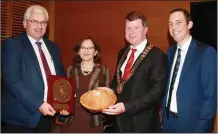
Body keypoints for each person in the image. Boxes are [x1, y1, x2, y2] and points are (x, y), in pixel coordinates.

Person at [99, 11, 168, 132]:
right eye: (128, 28)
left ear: (145, 30)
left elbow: (157, 92)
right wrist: (111, 90)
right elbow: (119, 82)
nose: (131, 32)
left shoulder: (157, 55)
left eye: (136, 27)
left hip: (143, 123)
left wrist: (127, 107)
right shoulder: (122, 53)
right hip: (119, 122)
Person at [1, 5, 65, 133]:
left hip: (46, 116)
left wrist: (63, 103)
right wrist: (38, 104)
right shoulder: (12, 45)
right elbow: (12, 79)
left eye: (43, 22)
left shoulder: (53, 47)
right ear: (25, 23)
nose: (39, 26)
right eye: (34, 21)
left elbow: (60, 77)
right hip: (20, 117)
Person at [161, 8, 217, 133]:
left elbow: (211, 96)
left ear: (190, 24)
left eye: (178, 22)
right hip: (168, 123)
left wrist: (201, 129)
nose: (173, 27)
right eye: (170, 24)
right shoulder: (170, 53)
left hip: (193, 126)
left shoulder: (206, 52)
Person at [56, 36, 110, 133]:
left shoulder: (103, 70)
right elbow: (64, 95)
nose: (86, 50)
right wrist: (63, 108)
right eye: (83, 47)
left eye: (90, 48)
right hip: (71, 120)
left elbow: (106, 98)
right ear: (78, 52)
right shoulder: (70, 69)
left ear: (96, 52)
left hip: (93, 121)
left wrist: (101, 109)